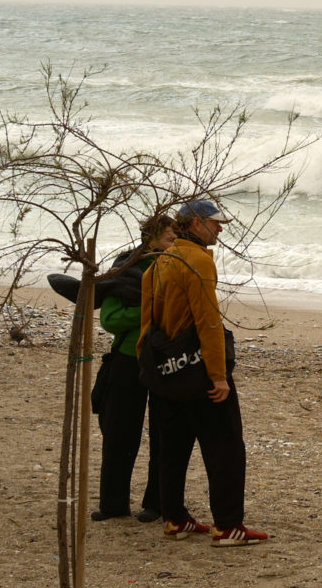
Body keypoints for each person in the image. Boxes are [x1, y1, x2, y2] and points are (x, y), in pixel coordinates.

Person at [139, 198, 265, 546]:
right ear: (194, 224)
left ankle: (174, 518)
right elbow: (207, 321)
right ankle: (227, 525)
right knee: (225, 446)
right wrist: (219, 374)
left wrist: (148, 365)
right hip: (197, 369)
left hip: (166, 370)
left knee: (172, 447)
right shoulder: (197, 261)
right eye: (214, 223)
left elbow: (147, 323)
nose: (220, 228)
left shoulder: (159, 262)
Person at [52, 214, 175, 523]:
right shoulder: (126, 271)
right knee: (120, 432)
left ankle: (156, 504)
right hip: (127, 358)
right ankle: (113, 505)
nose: (174, 244)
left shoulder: (177, 270)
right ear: (152, 239)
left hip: (164, 358)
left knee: (165, 433)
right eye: (170, 239)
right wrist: (151, 313)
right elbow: (110, 320)